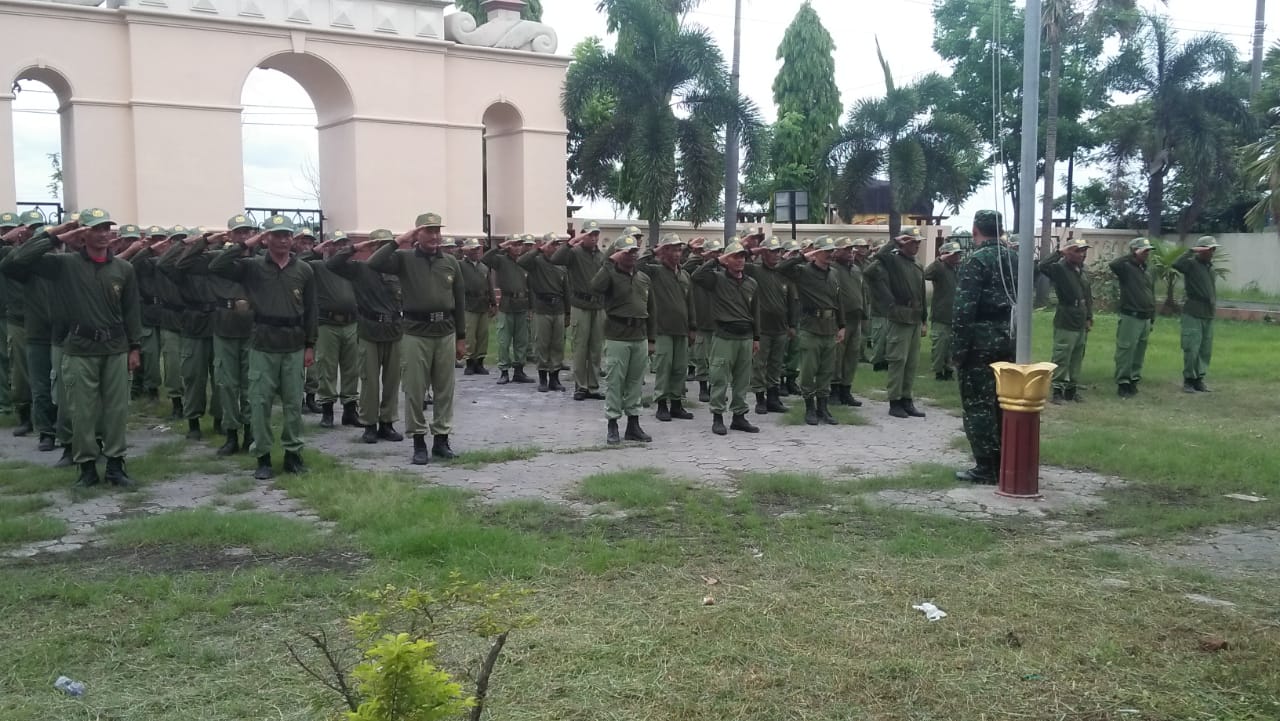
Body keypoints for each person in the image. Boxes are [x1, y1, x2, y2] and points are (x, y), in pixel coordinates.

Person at [2, 210, 142, 487]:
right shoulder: (63, 264)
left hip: (115, 348)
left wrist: (135, 347)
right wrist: (56, 234)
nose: (103, 234)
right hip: (79, 348)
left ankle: (115, 465)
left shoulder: (124, 269)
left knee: (116, 410)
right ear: (83, 234)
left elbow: (131, 311)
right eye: (96, 229)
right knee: (81, 410)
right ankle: (86, 466)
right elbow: (14, 262)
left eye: (107, 228)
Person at [209, 215, 317, 480]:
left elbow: (311, 311)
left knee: (293, 403)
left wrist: (310, 345)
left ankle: (293, 454)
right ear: (266, 238)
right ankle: (263, 456)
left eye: (287, 235)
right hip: (262, 344)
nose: (283, 240)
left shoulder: (303, 270)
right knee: (260, 403)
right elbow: (217, 266)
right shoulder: (253, 266)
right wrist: (248, 243)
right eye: (277, 235)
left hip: (292, 344)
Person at [367, 213, 467, 465]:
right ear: (417, 234)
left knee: (445, 389)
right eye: (428, 231)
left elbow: (460, 301)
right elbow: (373, 263)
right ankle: (419, 440)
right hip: (415, 332)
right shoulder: (404, 259)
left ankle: (442, 440)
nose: (435, 236)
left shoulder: (450, 262)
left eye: (437, 231)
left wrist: (461, 337)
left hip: (444, 331)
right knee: (415, 388)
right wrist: (399, 240)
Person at [176, 219, 257, 454]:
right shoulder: (216, 259)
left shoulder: (259, 259)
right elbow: (181, 265)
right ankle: (230, 432)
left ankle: (250, 431)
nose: (243, 236)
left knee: (250, 385)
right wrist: (205, 241)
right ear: (231, 234)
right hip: (224, 326)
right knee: (226, 384)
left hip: (251, 327)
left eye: (247, 232)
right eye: (239, 232)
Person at [951, 210, 1017, 484]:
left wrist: (958, 350)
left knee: (979, 405)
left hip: (980, 341)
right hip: (1009, 337)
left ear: (975, 230)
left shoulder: (976, 261)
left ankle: (986, 466)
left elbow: (964, 310)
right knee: (1005, 402)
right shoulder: (1015, 258)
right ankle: (1007, 459)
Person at [328, 229, 406, 443]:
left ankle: (387, 423)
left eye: (385, 245)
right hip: (370, 330)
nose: (381, 249)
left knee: (391, 381)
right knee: (369, 381)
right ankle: (369, 424)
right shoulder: (359, 269)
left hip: (394, 330)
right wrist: (354, 247)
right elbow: (332, 265)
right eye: (376, 245)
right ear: (370, 247)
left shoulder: (397, 269)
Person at [159, 224, 222, 440]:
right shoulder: (182, 268)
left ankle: (219, 420)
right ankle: (193, 421)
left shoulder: (215, 260)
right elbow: (163, 263)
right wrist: (186, 243)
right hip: (193, 324)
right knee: (194, 376)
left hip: (217, 323)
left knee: (220, 377)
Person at [591, 234, 654, 445]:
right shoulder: (609, 275)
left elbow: (650, 309)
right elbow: (595, 287)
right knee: (615, 381)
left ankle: (633, 425)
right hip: (618, 335)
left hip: (640, 335)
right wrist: (609, 262)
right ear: (618, 254)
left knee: (635, 382)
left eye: (635, 251)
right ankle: (612, 424)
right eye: (627, 252)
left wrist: (651, 338)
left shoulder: (643, 278)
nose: (632, 255)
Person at [692, 240, 760, 435]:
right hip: (724, 336)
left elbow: (755, 311)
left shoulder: (751, 283)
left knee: (742, 379)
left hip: (745, 336)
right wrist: (717, 260)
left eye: (742, 257)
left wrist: (756, 338)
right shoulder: (717, 279)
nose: (740, 261)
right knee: (719, 377)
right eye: (735, 257)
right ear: (726, 260)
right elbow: (697, 276)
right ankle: (718, 416)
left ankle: (739, 416)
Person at [777, 236, 845, 426]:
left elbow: (838, 301)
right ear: (816, 252)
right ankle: (810, 408)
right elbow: (781, 269)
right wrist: (802, 257)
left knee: (826, 371)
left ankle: (823, 408)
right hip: (810, 327)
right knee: (808, 371)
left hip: (829, 327)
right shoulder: (803, 272)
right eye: (826, 251)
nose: (830, 255)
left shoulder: (833, 273)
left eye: (832, 251)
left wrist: (842, 325)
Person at [865, 230, 928, 419]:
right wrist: (894, 242)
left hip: (915, 317)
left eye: (918, 242)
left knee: (911, 362)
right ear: (903, 243)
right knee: (897, 360)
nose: (916, 245)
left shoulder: (917, 264)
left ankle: (907, 399)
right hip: (899, 315)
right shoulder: (892, 261)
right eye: (912, 242)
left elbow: (922, 294)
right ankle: (895, 401)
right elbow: (872, 265)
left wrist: (924, 319)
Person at [305, 231, 362, 427]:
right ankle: (327, 411)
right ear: (328, 246)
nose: (341, 248)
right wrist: (314, 251)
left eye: (345, 244)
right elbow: (296, 261)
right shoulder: (319, 266)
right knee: (326, 367)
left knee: (352, 368)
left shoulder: (353, 268)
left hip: (352, 323)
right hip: (328, 323)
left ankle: (349, 410)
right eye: (336, 244)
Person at [640, 234, 695, 422]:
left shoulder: (684, 275)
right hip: (662, 329)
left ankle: (677, 404)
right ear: (664, 251)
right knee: (664, 368)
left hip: (681, 329)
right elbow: (639, 266)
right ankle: (661, 404)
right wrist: (653, 251)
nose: (677, 253)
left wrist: (693, 327)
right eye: (672, 249)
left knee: (680, 368)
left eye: (679, 249)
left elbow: (690, 303)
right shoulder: (655, 272)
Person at [0, 210, 45, 436]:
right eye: (28, 228)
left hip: (46, 321)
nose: (32, 233)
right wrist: (4, 240)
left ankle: (48, 420)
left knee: (48, 371)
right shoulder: (9, 253)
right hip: (18, 319)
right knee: (20, 371)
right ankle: (25, 416)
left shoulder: (47, 253)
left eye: (37, 228)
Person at [552, 220, 606, 400]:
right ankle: (580, 386)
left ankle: (593, 385)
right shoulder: (574, 253)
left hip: (598, 306)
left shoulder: (600, 256)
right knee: (580, 347)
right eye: (590, 234)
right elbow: (556, 259)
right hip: (580, 305)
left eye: (596, 234)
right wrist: (571, 242)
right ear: (583, 236)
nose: (594, 238)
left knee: (596, 348)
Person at [1038, 237, 1093, 403]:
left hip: (1081, 315)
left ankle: (1071, 388)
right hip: (1067, 316)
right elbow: (1042, 266)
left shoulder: (1081, 270)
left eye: (1084, 250)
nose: (1082, 254)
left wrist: (1089, 317)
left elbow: (1087, 296)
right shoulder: (1060, 268)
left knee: (1077, 354)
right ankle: (1057, 389)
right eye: (1077, 250)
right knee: (1062, 353)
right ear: (1068, 252)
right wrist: (1058, 253)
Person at [744, 236, 794, 415]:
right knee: (759, 364)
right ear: (764, 254)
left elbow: (791, 301)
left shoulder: (783, 273)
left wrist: (792, 324)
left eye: (778, 251)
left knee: (776, 364)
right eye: (771, 251)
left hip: (781, 327)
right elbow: (736, 257)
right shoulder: (755, 270)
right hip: (762, 327)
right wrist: (755, 250)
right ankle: (760, 399)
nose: (776, 255)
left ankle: (773, 398)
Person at [519, 232, 570, 392]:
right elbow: (522, 261)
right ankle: (543, 378)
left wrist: (568, 312)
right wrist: (539, 249)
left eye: (557, 245)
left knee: (557, 345)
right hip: (542, 308)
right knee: (542, 344)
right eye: (552, 244)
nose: (555, 248)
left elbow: (566, 289)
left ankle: (554, 378)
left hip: (559, 308)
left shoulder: (561, 265)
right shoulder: (536, 262)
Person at [483, 235, 534, 385]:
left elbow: (530, 285)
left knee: (521, 341)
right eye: (514, 244)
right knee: (504, 340)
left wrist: (531, 307)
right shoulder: (500, 259)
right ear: (508, 246)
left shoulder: (525, 261)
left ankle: (519, 370)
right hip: (507, 304)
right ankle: (504, 371)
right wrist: (501, 246)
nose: (518, 247)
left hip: (523, 304)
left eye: (519, 244)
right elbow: (485, 259)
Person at [1109, 238, 1156, 398]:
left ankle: (1134, 379)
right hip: (1131, 315)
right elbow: (1113, 264)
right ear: (1135, 251)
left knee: (1139, 351)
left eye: (1148, 251)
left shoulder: (1147, 270)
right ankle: (1123, 382)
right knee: (1126, 350)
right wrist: (1131, 255)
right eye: (1144, 251)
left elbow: (1151, 293)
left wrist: (1152, 316)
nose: (1147, 254)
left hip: (1145, 316)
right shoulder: (1126, 268)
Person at [1174, 236, 1219, 393]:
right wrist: (1191, 251)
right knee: (1191, 347)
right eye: (1209, 249)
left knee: (1205, 349)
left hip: (1208, 313)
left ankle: (1199, 379)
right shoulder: (1191, 264)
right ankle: (1188, 380)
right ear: (1201, 250)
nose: (1212, 252)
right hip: (1193, 312)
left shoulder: (1210, 268)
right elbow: (1176, 264)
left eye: (1213, 249)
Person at [685, 237, 723, 402]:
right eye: (712, 252)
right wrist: (702, 257)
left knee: (718, 359)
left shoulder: (722, 271)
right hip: (701, 320)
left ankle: (714, 387)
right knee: (701, 358)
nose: (716, 255)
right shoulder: (696, 269)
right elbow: (687, 269)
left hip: (718, 321)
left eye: (718, 252)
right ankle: (702, 388)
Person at [830, 237, 866, 407]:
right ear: (836, 252)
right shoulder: (832, 269)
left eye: (851, 249)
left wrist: (864, 312)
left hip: (856, 318)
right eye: (845, 249)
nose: (850, 252)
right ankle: (834, 390)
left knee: (852, 356)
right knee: (837, 357)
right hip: (840, 320)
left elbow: (862, 292)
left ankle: (846, 389)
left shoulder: (857, 270)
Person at [924, 241, 962, 381]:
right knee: (940, 345)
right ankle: (939, 372)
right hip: (941, 315)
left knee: (951, 347)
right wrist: (939, 260)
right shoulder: (939, 268)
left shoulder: (956, 270)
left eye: (958, 254)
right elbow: (926, 274)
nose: (958, 257)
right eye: (955, 254)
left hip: (954, 315)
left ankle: (949, 370)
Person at [459, 238, 494, 375]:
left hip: (482, 303)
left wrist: (493, 302)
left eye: (477, 249)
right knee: (469, 335)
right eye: (472, 249)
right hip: (469, 303)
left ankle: (480, 362)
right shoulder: (461, 265)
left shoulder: (483, 267)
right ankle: (469, 362)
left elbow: (490, 286)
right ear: (466, 251)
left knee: (482, 335)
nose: (476, 252)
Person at [778, 238, 804, 396]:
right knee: (782, 351)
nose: (795, 257)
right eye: (792, 253)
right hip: (782, 317)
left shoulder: (798, 271)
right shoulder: (779, 270)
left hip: (798, 314)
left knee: (795, 351)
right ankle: (780, 381)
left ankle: (791, 380)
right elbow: (782, 267)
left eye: (797, 253)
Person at [0, 212, 18, 418]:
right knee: (2, 359)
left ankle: (22, 402)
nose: (10, 233)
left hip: (18, 312)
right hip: (1, 312)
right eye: (5, 229)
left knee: (17, 359)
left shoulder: (20, 253)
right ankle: (5, 403)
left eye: (11, 229)